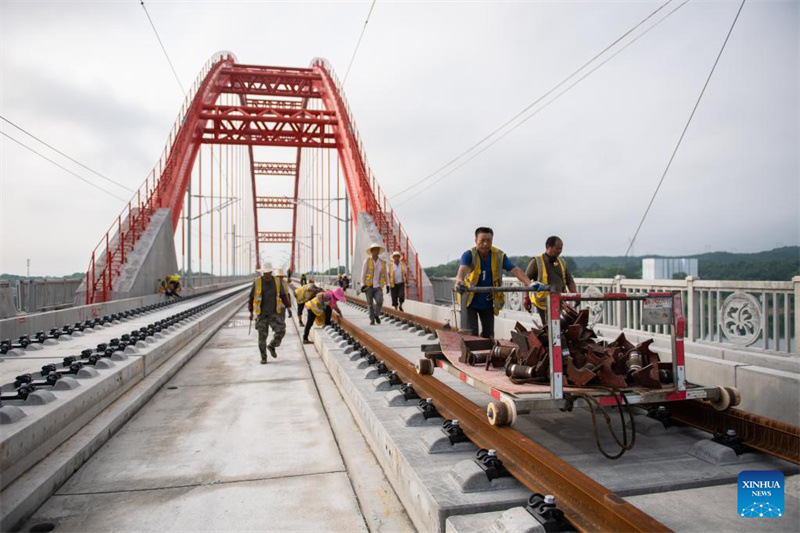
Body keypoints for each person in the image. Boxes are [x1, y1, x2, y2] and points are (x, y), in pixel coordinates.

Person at [455, 227, 533, 338]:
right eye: (482, 240)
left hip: (487, 301)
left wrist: (530, 284)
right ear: (476, 240)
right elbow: (461, 273)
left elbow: (515, 270)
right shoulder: (469, 255)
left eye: (489, 240)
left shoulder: (499, 255)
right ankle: (472, 353)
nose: (486, 244)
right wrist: (459, 282)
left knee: (489, 335)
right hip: (470, 301)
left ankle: (486, 353)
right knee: (472, 335)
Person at [524, 236, 577, 325]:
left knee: (559, 326)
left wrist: (576, 296)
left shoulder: (562, 263)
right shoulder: (536, 262)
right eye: (557, 248)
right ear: (549, 247)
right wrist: (526, 298)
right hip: (543, 303)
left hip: (559, 301)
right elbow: (525, 280)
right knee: (549, 326)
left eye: (561, 249)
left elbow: (570, 281)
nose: (559, 251)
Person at [248, 263, 290, 364]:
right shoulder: (257, 282)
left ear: (271, 272)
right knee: (262, 337)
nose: (266, 275)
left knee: (281, 330)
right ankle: (263, 357)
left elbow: (284, 295)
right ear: (262, 273)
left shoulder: (277, 281)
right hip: (261, 314)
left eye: (268, 273)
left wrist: (288, 307)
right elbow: (251, 298)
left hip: (274, 312)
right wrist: (250, 312)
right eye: (264, 273)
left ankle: (272, 346)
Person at [360, 242, 387, 325]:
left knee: (380, 301)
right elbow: (363, 273)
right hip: (368, 286)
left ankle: (376, 315)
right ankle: (372, 319)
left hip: (378, 286)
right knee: (370, 304)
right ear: (371, 251)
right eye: (374, 250)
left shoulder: (382, 262)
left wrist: (388, 284)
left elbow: (385, 274)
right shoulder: (367, 261)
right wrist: (362, 284)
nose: (375, 252)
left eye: (377, 250)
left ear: (378, 252)